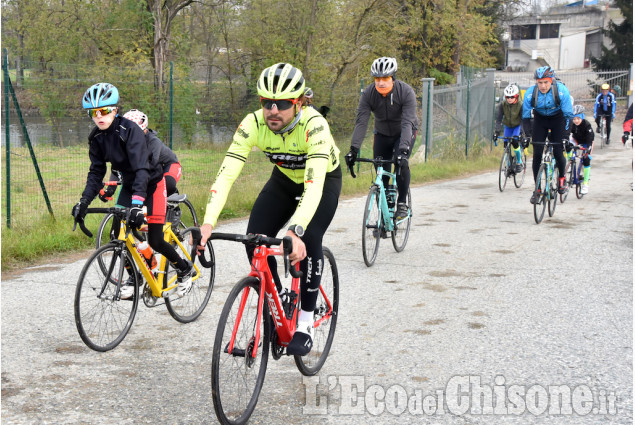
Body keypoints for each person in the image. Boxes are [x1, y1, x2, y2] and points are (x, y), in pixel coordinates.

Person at [198, 63, 341, 356]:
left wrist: (296, 229)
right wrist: (208, 222)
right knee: (254, 239)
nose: (273, 110)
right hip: (285, 180)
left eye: (284, 104)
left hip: (322, 181)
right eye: (267, 103)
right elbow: (227, 173)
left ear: (299, 103)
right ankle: (278, 305)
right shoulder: (252, 124)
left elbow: (314, 185)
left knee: (310, 238)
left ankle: (304, 321)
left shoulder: (314, 125)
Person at [72, 83, 195, 300]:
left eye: (104, 110)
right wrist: (84, 202)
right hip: (129, 185)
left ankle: (185, 268)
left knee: (156, 240)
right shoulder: (96, 138)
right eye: (94, 112)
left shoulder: (130, 131)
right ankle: (134, 277)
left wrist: (137, 205)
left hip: (152, 183)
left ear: (115, 110)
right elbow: (96, 173)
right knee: (116, 234)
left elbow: (141, 169)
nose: (99, 116)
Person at [346, 57, 418, 220]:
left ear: (393, 78)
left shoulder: (405, 92)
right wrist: (353, 149)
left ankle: (401, 204)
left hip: (404, 131)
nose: (381, 83)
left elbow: (408, 122)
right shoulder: (369, 94)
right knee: (380, 169)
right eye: (377, 79)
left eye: (385, 78)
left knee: (401, 162)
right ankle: (383, 218)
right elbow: (361, 121)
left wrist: (404, 150)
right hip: (382, 133)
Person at [98, 109, 181, 202]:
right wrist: (110, 190)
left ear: (145, 131)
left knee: (166, 184)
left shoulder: (153, 142)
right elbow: (118, 167)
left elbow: (150, 166)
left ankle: (173, 201)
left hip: (168, 165)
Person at [522, 66, 573, 204]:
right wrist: (526, 136)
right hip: (540, 120)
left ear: (551, 80)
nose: (543, 86)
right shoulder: (530, 93)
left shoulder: (561, 91)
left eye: (546, 82)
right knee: (537, 154)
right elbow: (526, 118)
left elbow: (568, 116)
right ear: (536, 82)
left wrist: (566, 137)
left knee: (558, 151)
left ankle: (562, 180)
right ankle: (537, 189)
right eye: (540, 83)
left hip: (558, 119)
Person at [494, 83, 526, 173]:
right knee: (505, 145)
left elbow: (523, 120)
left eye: (512, 97)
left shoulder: (521, 105)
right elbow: (499, 119)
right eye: (507, 97)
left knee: (515, 142)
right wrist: (496, 132)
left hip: (517, 126)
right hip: (508, 126)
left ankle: (519, 161)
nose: (509, 99)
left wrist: (521, 133)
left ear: (516, 96)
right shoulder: (503, 104)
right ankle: (508, 164)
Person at [569, 105, 594, 194]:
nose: (576, 121)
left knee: (586, 159)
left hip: (587, 142)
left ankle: (586, 184)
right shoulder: (572, 124)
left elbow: (590, 138)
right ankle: (570, 163)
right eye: (574, 118)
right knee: (568, 146)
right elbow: (569, 135)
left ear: (582, 117)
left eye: (578, 118)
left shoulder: (587, 125)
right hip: (576, 140)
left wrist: (587, 149)